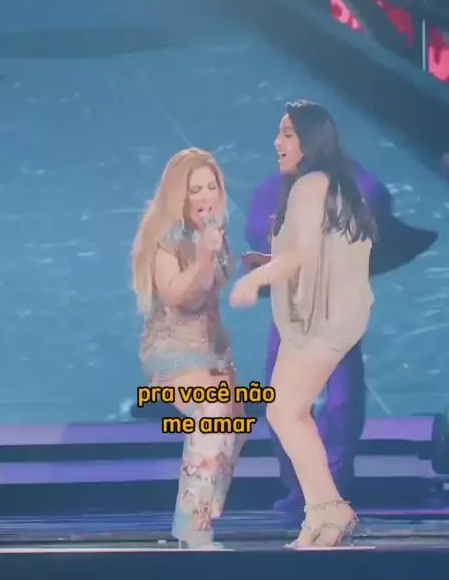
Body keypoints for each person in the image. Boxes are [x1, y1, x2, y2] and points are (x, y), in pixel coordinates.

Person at [245, 161, 437, 521]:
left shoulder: (352, 186)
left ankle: (328, 484)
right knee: (287, 399)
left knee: (338, 398)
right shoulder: (276, 192)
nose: (279, 143)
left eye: (288, 136)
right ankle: (304, 486)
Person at [230, 101, 377, 548]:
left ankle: (329, 509)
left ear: (310, 140)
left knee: (284, 411)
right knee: (285, 411)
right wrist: (268, 263)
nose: (278, 142)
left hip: (323, 318)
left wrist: (254, 281)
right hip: (325, 315)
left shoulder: (311, 184)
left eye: (288, 133)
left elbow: (302, 255)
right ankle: (324, 510)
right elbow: (317, 250)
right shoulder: (327, 183)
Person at [131, 148, 244, 551]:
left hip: (211, 348)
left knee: (235, 423)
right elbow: (176, 294)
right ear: (179, 195)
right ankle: (192, 529)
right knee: (213, 410)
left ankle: (204, 515)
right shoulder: (167, 237)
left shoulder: (213, 230)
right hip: (173, 349)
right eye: (195, 189)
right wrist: (202, 259)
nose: (205, 196)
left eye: (211, 186)